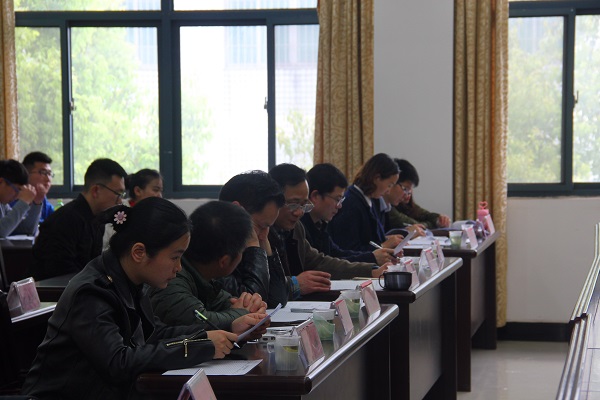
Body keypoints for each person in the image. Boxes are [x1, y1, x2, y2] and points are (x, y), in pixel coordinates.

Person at [21, 197, 243, 399]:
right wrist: (198, 346)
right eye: (175, 257)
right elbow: (118, 362)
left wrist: (215, 333)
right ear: (139, 252)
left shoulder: (131, 281)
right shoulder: (91, 292)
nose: (178, 268)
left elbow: (153, 334)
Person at [268, 163, 390, 300]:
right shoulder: (261, 231)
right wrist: (293, 285)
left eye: (303, 205)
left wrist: (370, 270)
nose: (299, 212)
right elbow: (260, 286)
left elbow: (320, 262)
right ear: (272, 201)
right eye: (293, 204)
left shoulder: (297, 228)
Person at [150, 201, 268, 333]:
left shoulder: (202, 276)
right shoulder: (171, 278)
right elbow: (202, 321)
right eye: (242, 251)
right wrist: (243, 313)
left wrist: (250, 306)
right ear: (224, 261)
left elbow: (224, 303)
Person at [31, 158, 127, 280]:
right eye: (118, 194)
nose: (120, 201)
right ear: (96, 190)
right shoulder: (65, 220)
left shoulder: (97, 220)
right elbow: (60, 272)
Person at [217, 170, 289, 308]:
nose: (262, 234)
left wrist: (264, 243)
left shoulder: (260, 236)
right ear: (236, 211)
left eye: (268, 227)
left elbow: (278, 300)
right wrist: (254, 246)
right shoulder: (213, 249)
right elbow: (250, 302)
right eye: (261, 226)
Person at [302, 163, 397, 265]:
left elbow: (337, 254)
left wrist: (373, 256)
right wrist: (373, 257)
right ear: (315, 196)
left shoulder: (320, 224)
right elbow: (322, 264)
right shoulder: (301, 227)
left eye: (341, 200)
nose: (339, 206)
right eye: (337, 199)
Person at [328, 153, 404, 252]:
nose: (388, 191)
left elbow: (368, 240)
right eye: (389, 185)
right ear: (377, 178)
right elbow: (348, 250)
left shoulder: (370, 200)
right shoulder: (351, 204)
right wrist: (383, 245)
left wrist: (385, 239)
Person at [103, 168, 164, 248]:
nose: (160, 196)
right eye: (155, 190)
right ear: (138, 191)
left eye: (161, 191)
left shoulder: (155, 214)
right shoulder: (119, 211)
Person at [387, 158, 451, 229]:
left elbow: (426, 215)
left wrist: (440, 219)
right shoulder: (387, 207)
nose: (409, 193)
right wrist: (435, 223)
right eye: (405, 188)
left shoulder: (404, 204)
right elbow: (416, 226)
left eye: (410, 189)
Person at [0, 159, 41, 238]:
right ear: (1, 182)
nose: (17, 196)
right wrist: (24, 202)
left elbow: (26, 230)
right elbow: (1, 231)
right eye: (17, 190)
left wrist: (37, 202)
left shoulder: (3, 204)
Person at [17, 151, 55, 223]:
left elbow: (55, 222)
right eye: (43, 173)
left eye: (49, 173)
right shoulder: (13, 197)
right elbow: (23, 228)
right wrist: (37, 201)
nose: (48, 179)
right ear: (26, 174)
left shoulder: (43, 199)